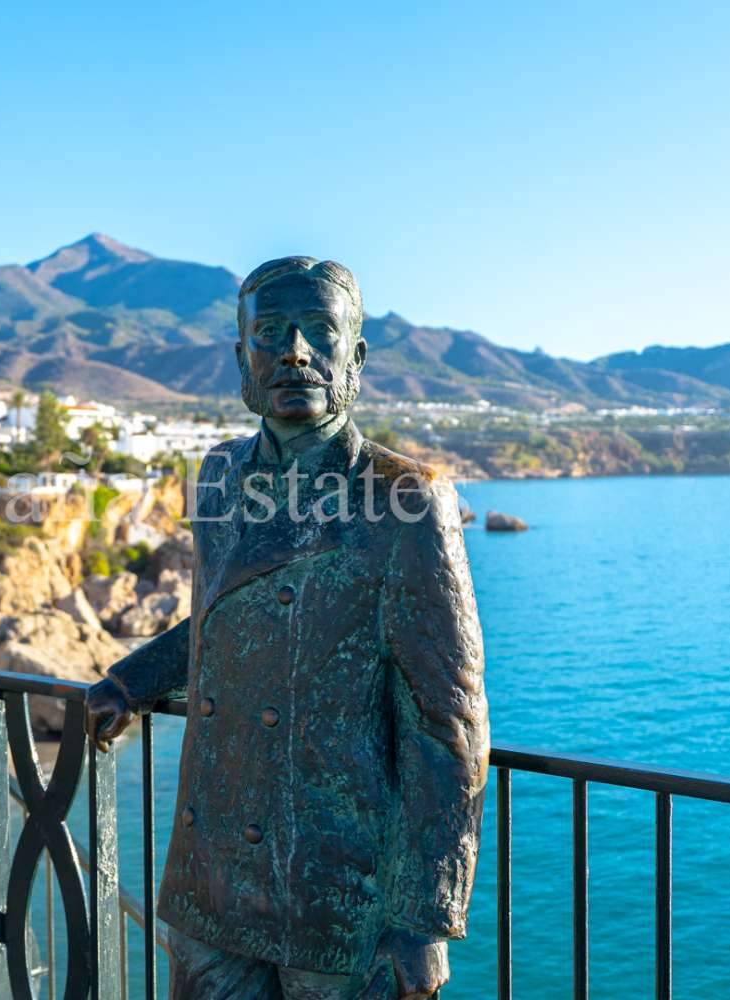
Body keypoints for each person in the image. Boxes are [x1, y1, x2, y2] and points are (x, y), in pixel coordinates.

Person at [86, 257, 489, 999]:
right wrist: (130, 680)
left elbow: (449, 724)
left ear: (355, 358)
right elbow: (215, 616)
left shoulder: (404, 496)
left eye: (318, 331)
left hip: (336, 885)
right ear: (243, 360)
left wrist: (426, 917)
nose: (295, 350)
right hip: (211, 871)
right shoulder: (216, 475)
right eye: (270, 333)